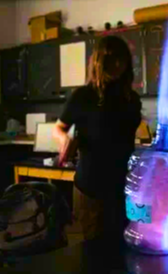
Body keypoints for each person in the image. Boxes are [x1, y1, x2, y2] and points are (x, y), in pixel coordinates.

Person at [53, 36, 142, 242]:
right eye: (112, 59)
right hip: (91, 189)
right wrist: (64, 140)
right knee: (93, 253)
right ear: (99, 62)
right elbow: (58, 128)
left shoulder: (131, 99)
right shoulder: (82, 96)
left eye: (122, 59)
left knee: (125, 246)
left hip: (124, 187)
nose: (118, 64)